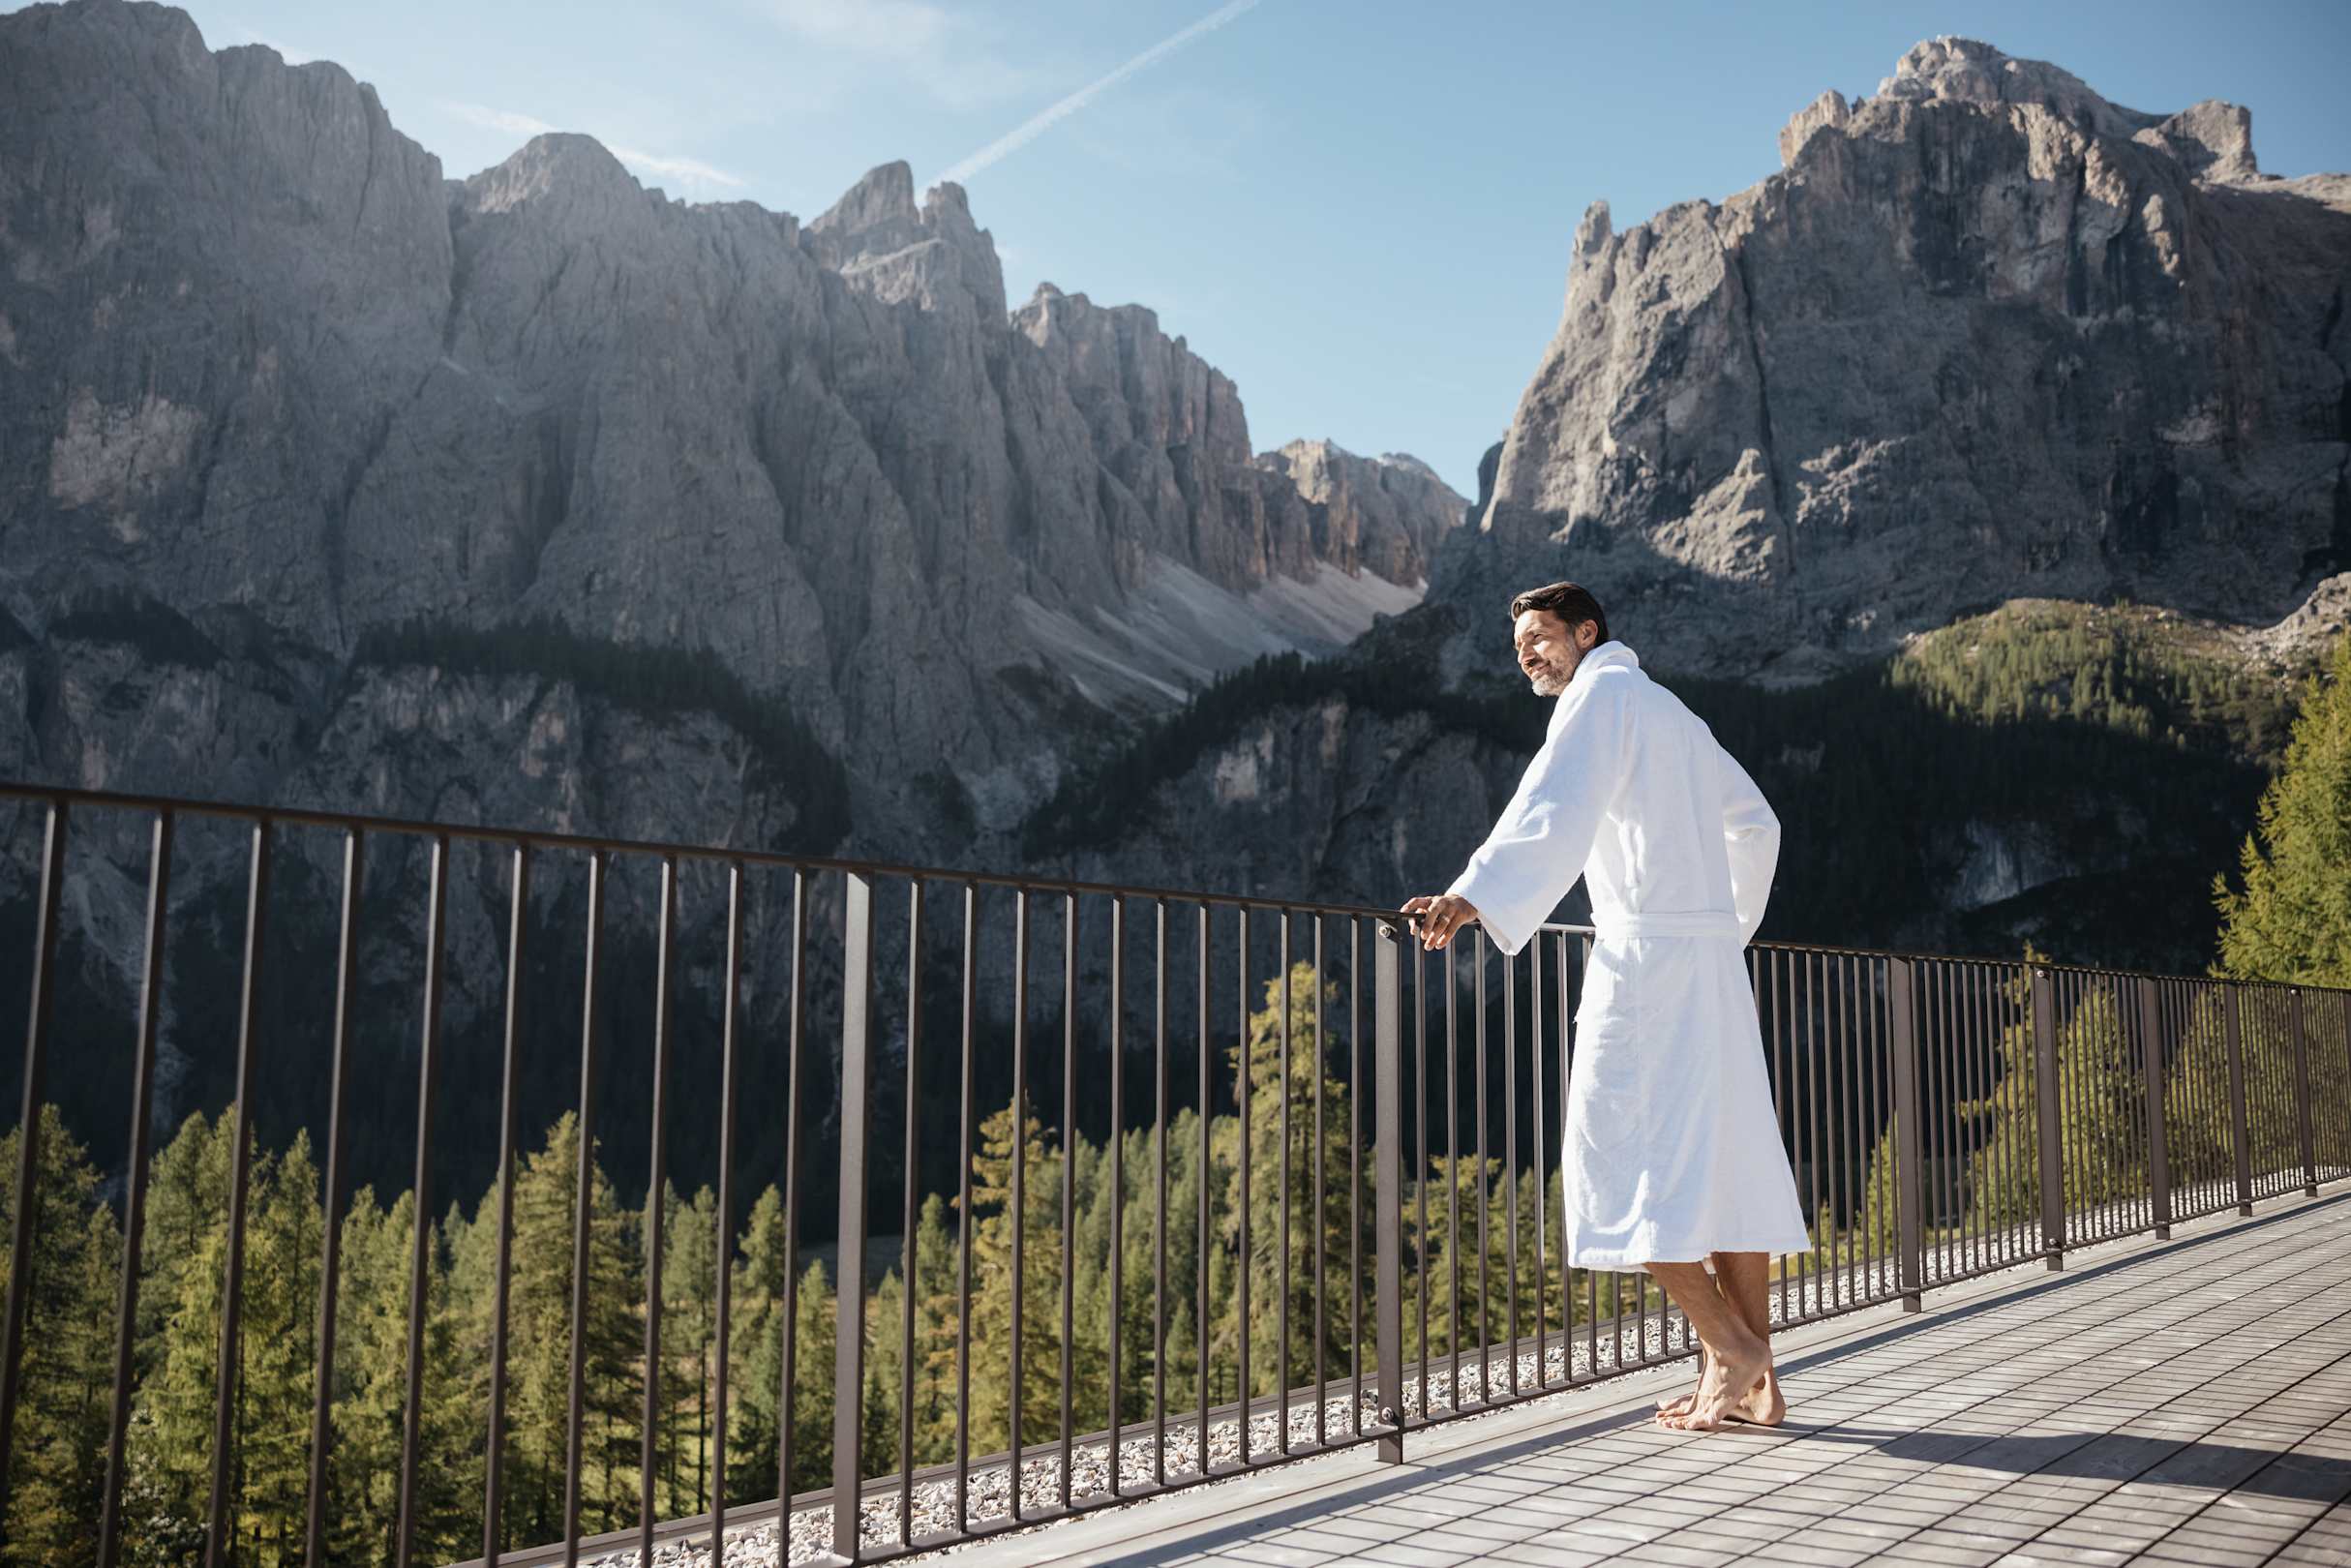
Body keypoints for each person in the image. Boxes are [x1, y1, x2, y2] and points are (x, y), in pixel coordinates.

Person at [1400, 581, 1810, 1432]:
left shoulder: (1597, 700)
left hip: (1645, 964)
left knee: (1615, 1157)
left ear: (1587, 633)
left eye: (1541, 636)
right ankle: (1752, 1387)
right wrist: (1720, 927)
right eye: (1519, 644)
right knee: (1726, 1164)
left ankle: (1729, 1348)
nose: (1527, 654)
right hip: (1708, 964)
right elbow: (1758, 826)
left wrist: (1471, 895)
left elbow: (1551, 807)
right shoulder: (1671, 712)